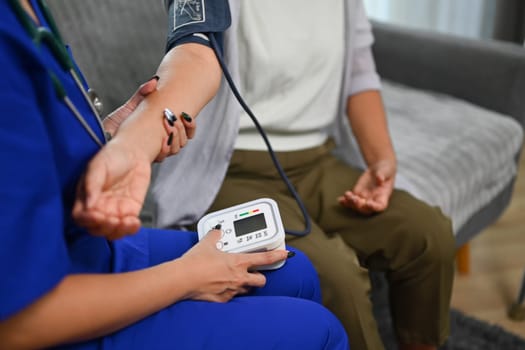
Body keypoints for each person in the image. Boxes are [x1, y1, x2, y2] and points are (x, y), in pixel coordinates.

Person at [0, 1, 350, 349]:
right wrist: (188, 276)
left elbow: (198, 47)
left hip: (78, 242)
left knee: (295, 271)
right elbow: (16, 324)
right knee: (321, 331)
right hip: (46, 305)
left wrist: (117, 142)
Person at [150, 1, 457, 349]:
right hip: (229, 171)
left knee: (428, 235)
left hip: (318, 161)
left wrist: (382, 160)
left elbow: (359, 72)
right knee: (338, 279)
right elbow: (190, 57)